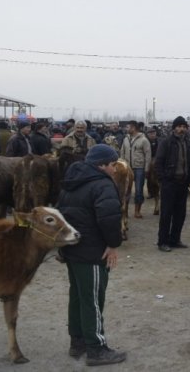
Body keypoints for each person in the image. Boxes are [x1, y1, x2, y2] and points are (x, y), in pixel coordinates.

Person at [57, 144, 126, 366]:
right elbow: (109, 218)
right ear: (101, 165)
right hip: (93, 251)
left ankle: (77, 342)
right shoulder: (102, 185)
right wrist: (113, 244)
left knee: (77, 296)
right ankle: (96, 349)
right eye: (113, 165)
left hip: (73, 249)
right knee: (94, 299)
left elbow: (60, 214)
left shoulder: (72, 181)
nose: (115, 169)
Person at [154, 116, 190, 252]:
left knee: (180, 214)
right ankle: (163, 241)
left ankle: (175, 239)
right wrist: (163, 179)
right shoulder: (166, 143)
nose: (181, 129)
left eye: (184, 127)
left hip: (183, 183)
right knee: (166, 214)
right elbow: (158, 162)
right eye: (179, 126)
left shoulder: (188, 143)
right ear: (174, 128)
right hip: (169, 183)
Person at [119, 120, 152, 219]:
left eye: (128, 127)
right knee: (126, 191)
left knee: (138, 190)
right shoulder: (126, 139)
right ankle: (125, 211)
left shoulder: (144, 140)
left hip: (139, 168)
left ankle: (137, 211)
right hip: (127, 168)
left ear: (133, 128)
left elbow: (148, 155)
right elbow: (122, 153)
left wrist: (146, 169)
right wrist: (122, 165)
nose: (126, 129)